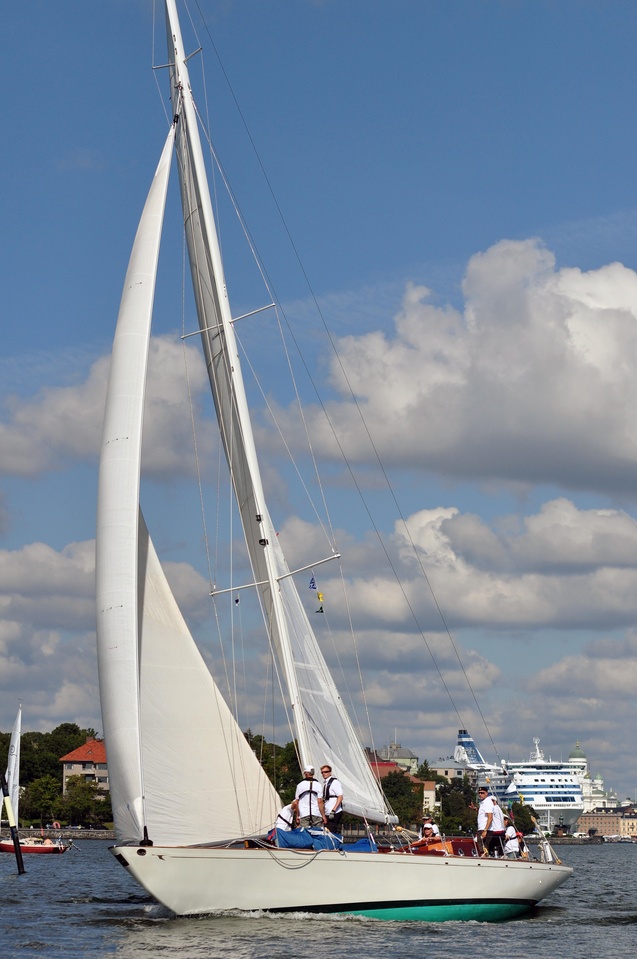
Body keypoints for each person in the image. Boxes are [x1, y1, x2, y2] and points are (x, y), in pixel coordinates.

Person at [320, 764, 344, 832]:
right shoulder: (325, 783)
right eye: (322, 772)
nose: (324, 773)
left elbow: (340, 796)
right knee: (326, 831)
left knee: (331, 830)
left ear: (330, 772)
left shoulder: (335, 782)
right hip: (327, 812)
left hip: (334, 812)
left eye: (326, 772)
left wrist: (333, 810)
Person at [476, 785, 495, 856]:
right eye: (479, 793)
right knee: (482, 847)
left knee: (482, 847)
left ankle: (484, 858)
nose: (480, 794)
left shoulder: (487, 802)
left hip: (485, 829)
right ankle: (484, 857)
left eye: (482, 793)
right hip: (482, 828)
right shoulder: (483, 803)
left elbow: (490, 817)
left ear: (486, 793)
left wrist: (485, 830)